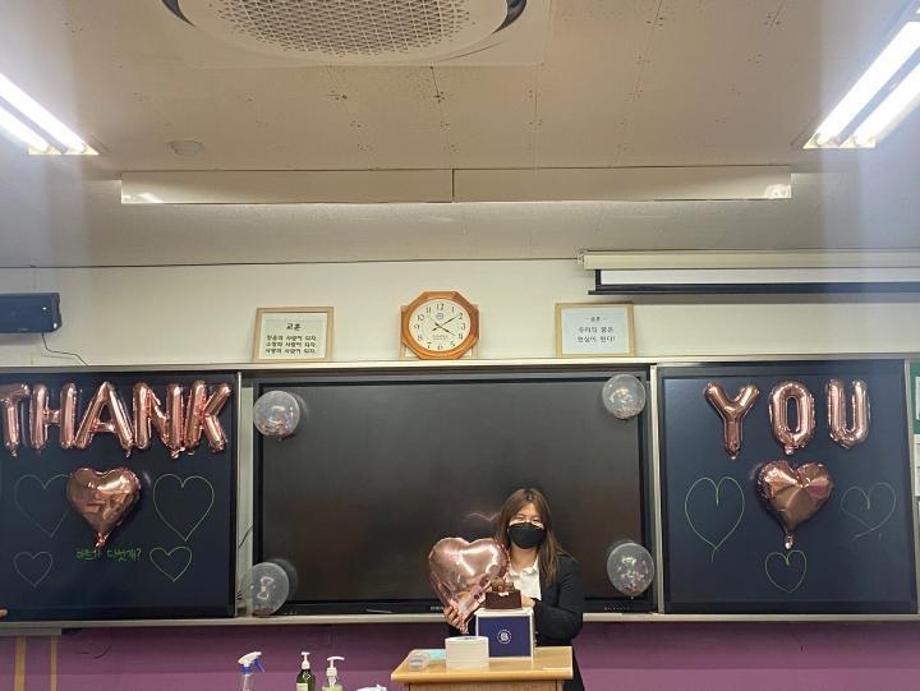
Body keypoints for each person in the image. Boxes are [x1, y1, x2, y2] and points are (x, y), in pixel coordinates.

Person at [444, 488, 585, 691]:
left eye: (535, 520)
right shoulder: (485, 568)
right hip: (494, 673)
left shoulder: (565, 567)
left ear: (545, 527)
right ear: (507, 523)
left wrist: (529, 604)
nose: (527, 525)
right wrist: (457, 621)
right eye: (520, 518)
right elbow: (471, 634)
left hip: (552, 673)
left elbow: (570, 624)